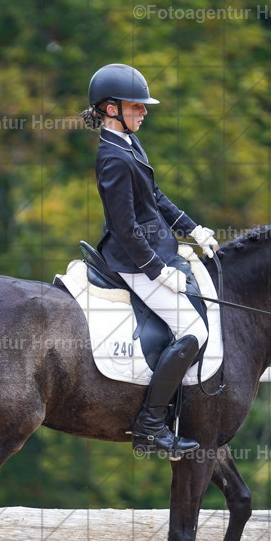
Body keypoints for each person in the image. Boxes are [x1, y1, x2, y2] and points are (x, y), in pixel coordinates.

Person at [80, 63, 219, 456]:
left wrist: (193, 229)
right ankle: (150, 427)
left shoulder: (130, 144)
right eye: (136, 106)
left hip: (155, 251)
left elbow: (155, 199)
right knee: (194, 331)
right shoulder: (112, 157)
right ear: (111, 109)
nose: (144, 111)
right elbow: (125, 228)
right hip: (132, 259)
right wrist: (157, 271)